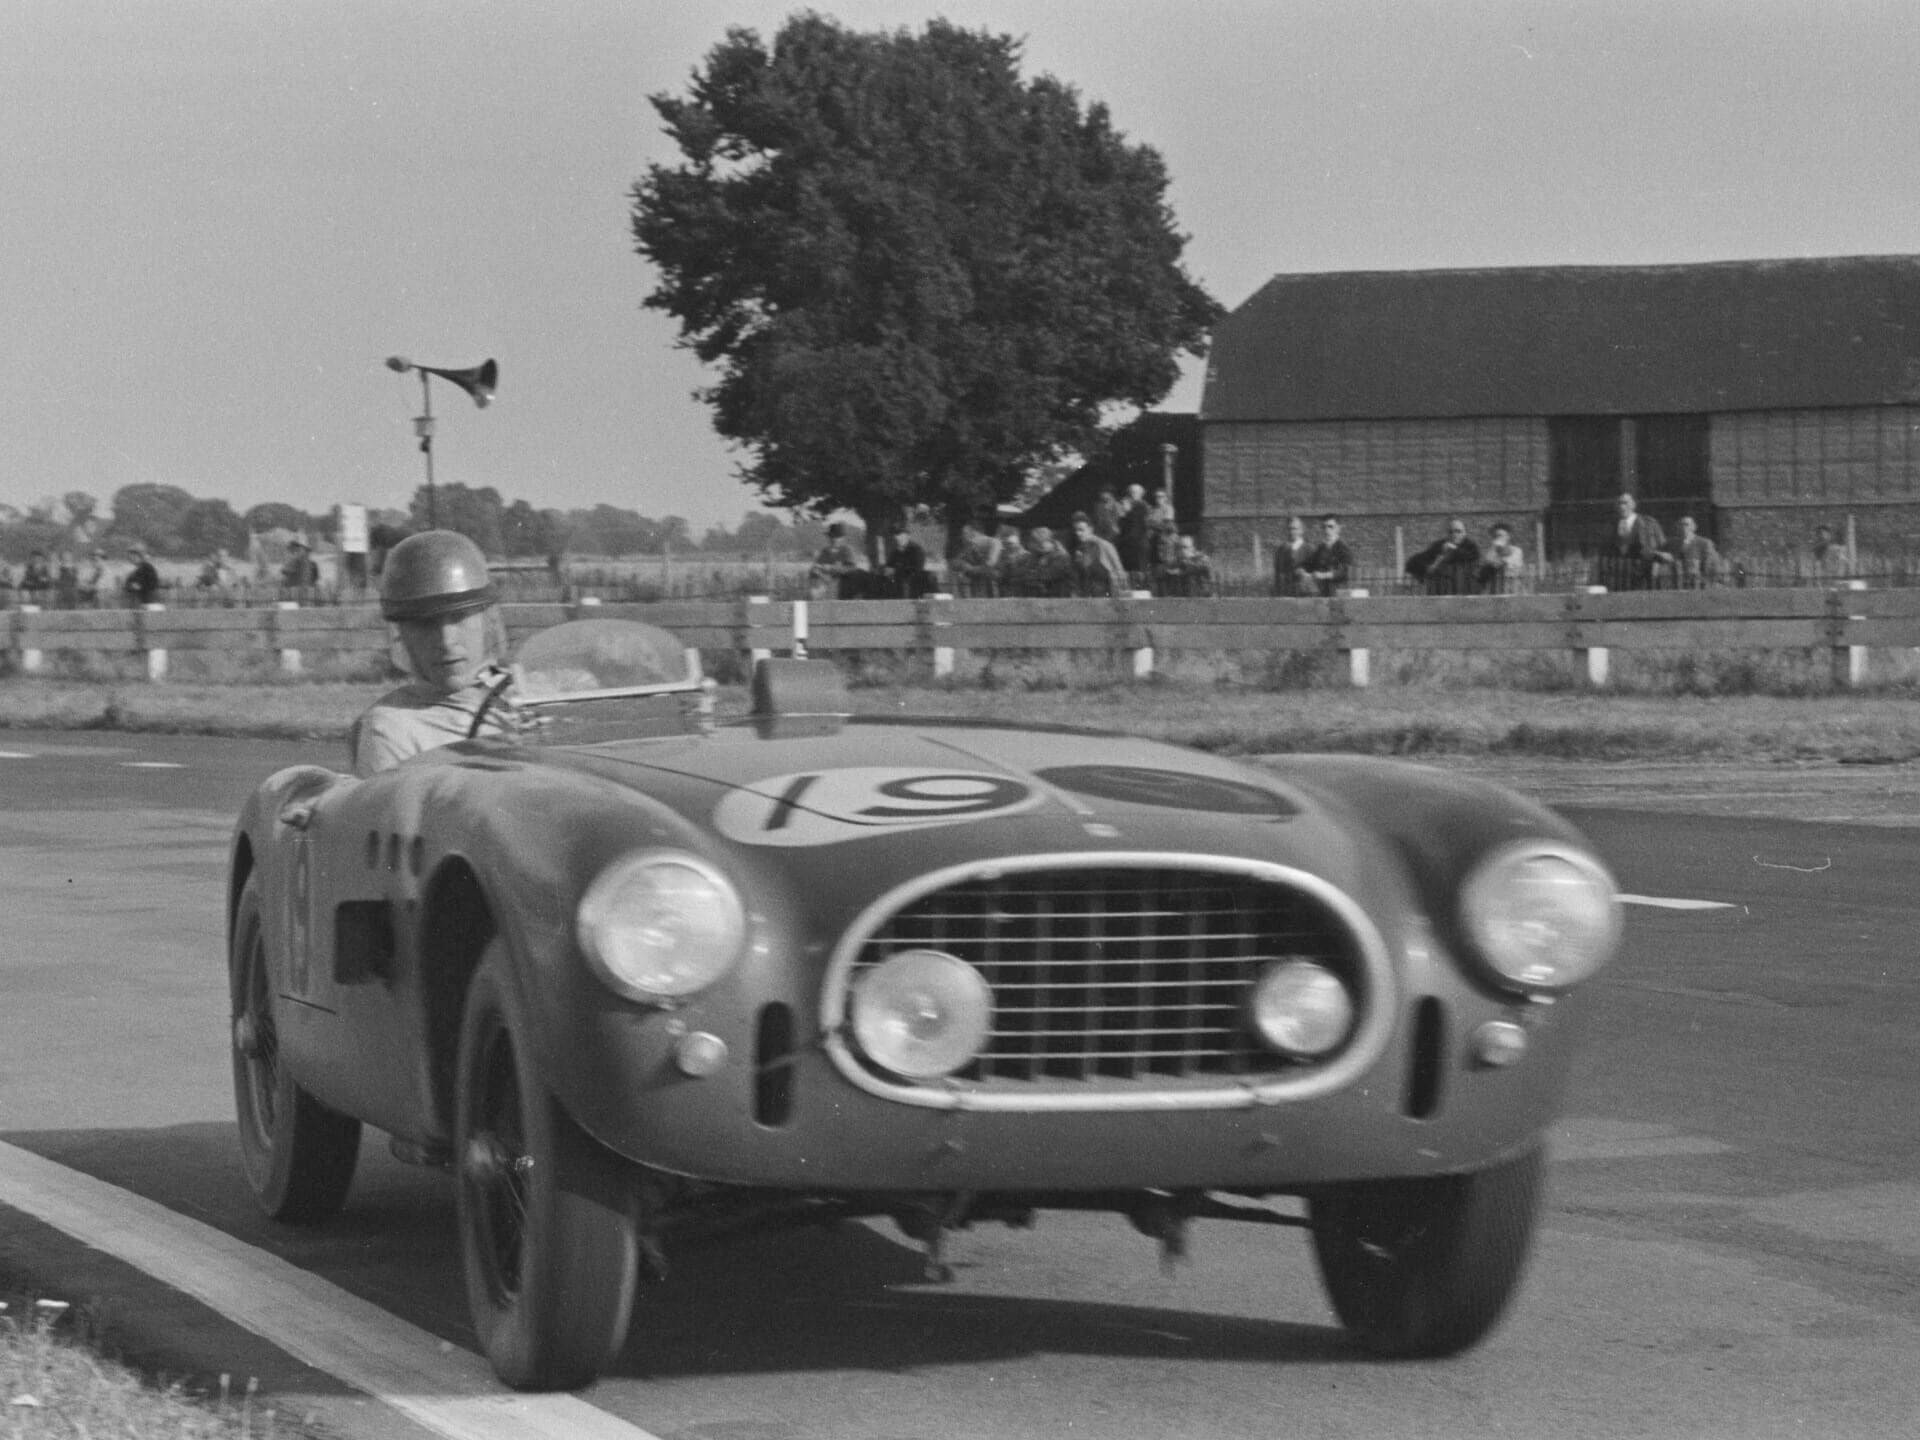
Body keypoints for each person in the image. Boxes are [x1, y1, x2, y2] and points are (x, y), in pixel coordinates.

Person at [349, 529, 517, 776]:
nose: (447, 641)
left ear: (485, 619)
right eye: (426, 624)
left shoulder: (524, 695)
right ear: (402, 634)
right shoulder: (392, 728)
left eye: (459, 617)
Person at [1596, 492, 1668, 590]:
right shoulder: (1610, 526)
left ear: (1633, 505)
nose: (1622, 507)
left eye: (1625, 503)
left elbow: (1662, 546)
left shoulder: (1649, 524)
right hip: (1619, 579)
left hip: (1643, 577)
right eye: (1619, 503)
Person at [1405, 518, 1481, 595]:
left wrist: (1453, 550)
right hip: (1441, 591)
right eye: (1450, 532)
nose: (1454, 535)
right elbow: (1415, 561)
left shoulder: (1471, 547)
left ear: (1464, 533)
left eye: (1458, 531)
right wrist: (1428, 567)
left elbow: (1472, 557)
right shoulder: (1439, 546)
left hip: (1463, 591)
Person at [1067, 512, 1129, 597]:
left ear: (1090, 529)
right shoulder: (1079, 550)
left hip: (1108, 595)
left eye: (1081, 530)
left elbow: (1119, 570)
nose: (1078, 533)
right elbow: (1078, 575)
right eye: (1076, 530)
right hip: (1088, 597)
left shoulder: (1105, 546)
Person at [808, 522, 871, 599]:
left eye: (837, 537)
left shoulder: (847, 551)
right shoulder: (825, 552)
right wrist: (817, 569)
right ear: (829, 537)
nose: (834, 539)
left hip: (844, 585)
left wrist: (832, 568)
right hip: (827, 583)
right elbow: (816, 566)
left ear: (842, 538)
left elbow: (852, 568)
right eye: (832, 537)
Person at [1301, 515, 1354, 597]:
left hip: (1338, 593)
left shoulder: (1343, 548)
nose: (1327, 530)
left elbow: (1344, 571)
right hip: (1321, 594)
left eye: (1330, 527)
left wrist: (1324, 575)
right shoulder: (1321, 549)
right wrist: (1302, 572)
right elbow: (1307, 565)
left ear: (1338, 529)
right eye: (1324, 527)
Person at [1154, 532, 1216, 597]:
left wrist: (1174, 571)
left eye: (1185, 547)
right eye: (1179, 548)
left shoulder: (1202, 559)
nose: (1182, 551)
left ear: (1193, 548)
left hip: (1205, 598)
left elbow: (1192, 567)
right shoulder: (1178, 562)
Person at [951, 521, 1003, 597]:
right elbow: (956, 563)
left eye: (965, 533)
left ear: (974, 532)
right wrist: (962, 565)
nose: (963, 537)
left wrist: (971, 569)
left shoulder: (994, 542)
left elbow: (990, 564)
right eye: (963, 534)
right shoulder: (970, 546)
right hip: (977, 586)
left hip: (993, 584)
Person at [1669, 515, 1723, 588]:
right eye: (1681, 525)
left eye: (1686, 525)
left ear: (1694, 527)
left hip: (1700, 583)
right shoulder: (1674, 544)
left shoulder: (1704, 543)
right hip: (1680, 584)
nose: (1684, 527)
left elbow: (1711, 563)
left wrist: (1706, 580)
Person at [880, 521, 930, 599]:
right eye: (897, 536)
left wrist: (897, 570)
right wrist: (887, 570)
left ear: (907, 536)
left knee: (905, 583)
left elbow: (917, 568)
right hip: (897, 579)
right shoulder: (895, 551)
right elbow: (889, 565)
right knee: (883, 582)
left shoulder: (916, 550)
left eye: (902, 535)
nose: (899, 538)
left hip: (913, 580)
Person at [1273, 515, 1316, 597]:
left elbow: (1314, 573)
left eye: (1294, 529)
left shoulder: (1309, 549)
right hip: (1286, 594)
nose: (1291, 532)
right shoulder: (1281, 550)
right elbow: (1278, 574)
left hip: (1304, 595)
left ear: (1301, 530)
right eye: (1289, 529)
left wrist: (1305, 574)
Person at [1116, 482, 1151, 580]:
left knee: (1139, 572)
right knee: (1128, 571)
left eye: (1135, 492)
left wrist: (1127, 511)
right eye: (1131, 492)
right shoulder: (1126, 505)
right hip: (1127, 543)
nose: (1132, 494)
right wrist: (1123, 513)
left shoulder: (1143, 506)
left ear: (1141, 494)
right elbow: (1121, 523)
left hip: (1139, 543)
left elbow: (1137, 523)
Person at [1478, 523, 1526, 595]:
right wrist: (1493, 547)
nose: (1498, 538)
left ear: (1508, 537)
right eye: (1495, 537)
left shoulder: (1517, 551)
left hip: (1514, 591)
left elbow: (1506, 562)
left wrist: (1497, 561)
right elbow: (1487, 562)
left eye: (1500, 535)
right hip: (1497, 591)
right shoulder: (1492, 552)